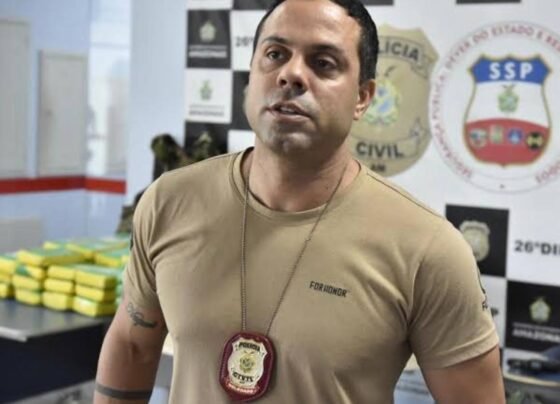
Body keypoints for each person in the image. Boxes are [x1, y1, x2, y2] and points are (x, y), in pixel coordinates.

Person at [95, 0, 505, 402]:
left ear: (363, 97)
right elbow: (133, 346)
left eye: (323, 63)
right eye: (275, 54)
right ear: (251, 74)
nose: (291, 74)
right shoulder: (169, 202)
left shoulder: (428, 248)